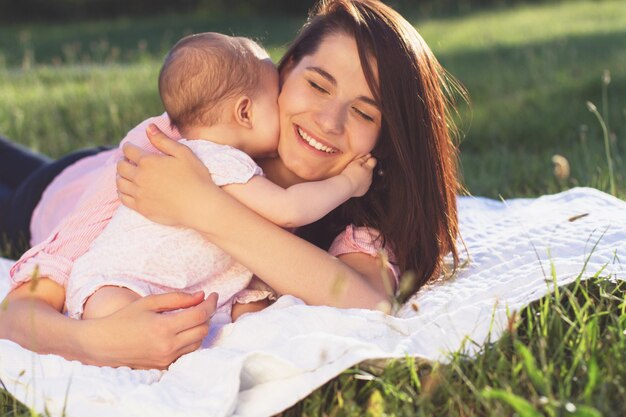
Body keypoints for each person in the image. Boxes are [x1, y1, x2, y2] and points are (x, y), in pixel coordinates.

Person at [0, 0, 461, 370]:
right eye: (318, 85)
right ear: (288, 69)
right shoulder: (173, 142)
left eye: (364, 112)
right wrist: (95, 343)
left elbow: (368, 301)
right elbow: (19, 314)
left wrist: (203, 208)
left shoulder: (358, 203)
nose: (328, 122)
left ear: (389, 135)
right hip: (52, 194)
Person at [68, 32, 375, 320]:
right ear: (244, 112)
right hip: (77, 210)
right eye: (275, 97)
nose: (328, 123)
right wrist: (349, 182)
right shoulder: (221, 161)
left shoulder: (189, 150)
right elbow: (290, 209)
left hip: (121, 283)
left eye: (364, 113)